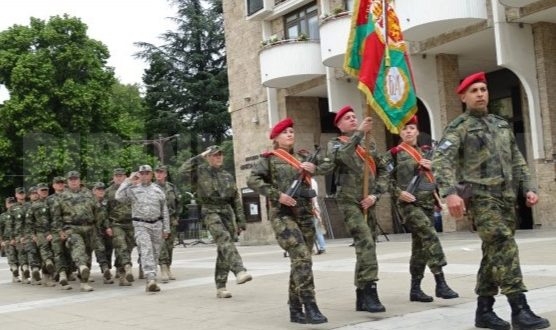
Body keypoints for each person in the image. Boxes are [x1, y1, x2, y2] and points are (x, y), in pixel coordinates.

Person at [432, 71, 550, 330]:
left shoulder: (501, 124)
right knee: (504, 245)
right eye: (474, 90)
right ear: (463, 96)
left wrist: (528, 187)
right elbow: (442, 161)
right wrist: (450, 193)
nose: (480, 94)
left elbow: (517, 158)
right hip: (482, 198)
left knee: (493, 252)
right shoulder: (459, 127)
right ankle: (520, 308)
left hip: (506, 198)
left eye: (483, 89)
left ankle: (483, 311)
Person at [247, 118, 327, 324]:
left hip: (305, 214)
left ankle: (294, 308)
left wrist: (314, 168)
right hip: (283, 215)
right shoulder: (269, 159)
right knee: (301, 256)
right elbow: (252, 180)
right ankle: (310, 305)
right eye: (285, 132)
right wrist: (277, 194)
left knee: (300, 261)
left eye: (291, 131)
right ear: (276, 138)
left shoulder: (302, 157)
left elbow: (327, 165)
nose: (290, 134)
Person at [383, 115, 459, 303]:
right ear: (399, 133)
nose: (408, 131)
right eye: (404, 129)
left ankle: (415, 289)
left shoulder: (427, 153)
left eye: (411, 128)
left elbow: (440, 174)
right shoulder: (394, 154)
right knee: (429, 235)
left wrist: (431, 167)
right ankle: (440, 281)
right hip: (409, 206)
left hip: (426, 204)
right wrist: (398, 193)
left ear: (417, 131)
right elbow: (383, 179)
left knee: (420, 248)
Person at [322, 105, 389, 313]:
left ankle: (361, 294)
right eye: (348, 118)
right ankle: (370, 291)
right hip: (348, 201)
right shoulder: (334, 144)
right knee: (366, 242)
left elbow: (384, 169)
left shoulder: (370, 143)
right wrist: (359, 133)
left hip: (368, 200)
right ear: (339, 125)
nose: (352, 120)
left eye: (354, 117)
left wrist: (375, 195)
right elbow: (342, 157)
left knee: (367, 247)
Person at [181, 145, 252, 299]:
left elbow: (235, 199)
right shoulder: (200, 172)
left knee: (223, 250)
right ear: (207, 157)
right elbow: (183, 170)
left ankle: (221, 286)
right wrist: (200, 156)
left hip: (226, 212)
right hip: (210, 210)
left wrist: (240, 220)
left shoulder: (227, 176)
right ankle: (240, 270)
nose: (218, 157)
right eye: (214, 155)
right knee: (224, 240)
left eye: (220, 155)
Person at [115, 165, 170, 293]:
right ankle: (150, 279)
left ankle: (151, 279)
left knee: (155, 253)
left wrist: (166, 228)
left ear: (151, 175)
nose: (144, 175)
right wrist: (128, 180)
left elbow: (164, 210)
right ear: (139, 174)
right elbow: (118, 196)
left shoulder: (158, 190)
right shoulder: (133, 189)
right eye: (142, 173)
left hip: (156, 225)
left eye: (147, 173)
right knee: (146, 250)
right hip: (141, 225)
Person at [51, 171, 99, 292]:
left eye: (75, 179)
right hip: (71, 228)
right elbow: (56, 216)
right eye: (71, 179)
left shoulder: (88, 194)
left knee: (87, 254)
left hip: (89, 228)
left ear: (79, 180)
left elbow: (97, 211)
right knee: (78, 247)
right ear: (67, 182)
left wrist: (99, 228)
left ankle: (84, 281)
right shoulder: (62, 196)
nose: (73, 181)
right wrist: (60, 230)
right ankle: (81, 266)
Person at [105, 168, 135, 286]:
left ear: (125, 177)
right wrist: (107, 226)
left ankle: (121, 273)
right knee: (121, 245)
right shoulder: (108, 192)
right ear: (113, 177)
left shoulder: (132, 189)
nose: (119, 178)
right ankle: (127, 267)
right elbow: (104, 211)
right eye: (116, 176)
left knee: (127, 249)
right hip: (116, 224)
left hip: (131, 224)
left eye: (121, 176)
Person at [154, 165, 182, 283]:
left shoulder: (171, 187)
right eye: (157, 172)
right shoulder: (152, 187)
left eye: (161, 172)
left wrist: (177, 216)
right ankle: (163, 268)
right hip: (158, 219)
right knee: (162, 245)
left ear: (165, 174)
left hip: (171, 219)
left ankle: (168, 267)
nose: (159, 174)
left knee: (170, 245)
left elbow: (179, 202)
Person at [92, 182, 114, 284]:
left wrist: (109, 227)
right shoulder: (91, 202)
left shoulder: (107, 202)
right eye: (98, 189)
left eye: (102, 189)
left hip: (106, 230)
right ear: (94, 191)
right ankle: (105, 269)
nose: (101, 191)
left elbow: (109, 215)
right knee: (100, 250)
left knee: (109, 249)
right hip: (94, 230)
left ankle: (107, 271)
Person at [310, 178, 326, 255]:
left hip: (312, 207)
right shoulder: (313, 181)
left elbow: (312, 196)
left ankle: (318, 247)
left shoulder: (309, 181)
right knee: (317, 229)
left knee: (315, 229)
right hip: (314, 206)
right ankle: (321, 247)